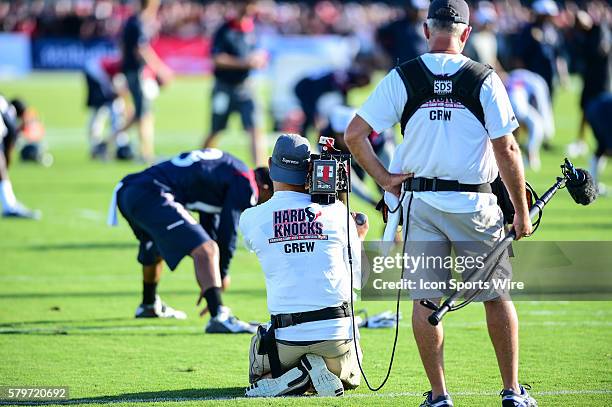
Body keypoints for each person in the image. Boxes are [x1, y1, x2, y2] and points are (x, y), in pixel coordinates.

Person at [345, 0, 537, 406]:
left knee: (426, 299)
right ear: (466, 34)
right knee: (497, 296)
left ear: (427, 30)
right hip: (475, 202)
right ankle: (512, 392)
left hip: (420, 204)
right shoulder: (484, 77)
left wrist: (384, 179)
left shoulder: (404, 75)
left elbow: (354, 135)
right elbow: (507, 150)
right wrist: (520, 210)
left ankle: (439, 396)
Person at [239, 134, 367, 397]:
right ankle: (316, 375)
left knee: (257, 373)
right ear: (312, 168)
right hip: (337, 340)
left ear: (270, 165)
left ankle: (294, 377)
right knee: (349, 377)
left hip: (287, 340)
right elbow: (359, 279)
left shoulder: (250, 218)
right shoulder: (338, 212)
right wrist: (358, 237)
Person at [108, 148, 273, 333]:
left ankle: (148, 304)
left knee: (154, 246)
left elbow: (210, 222)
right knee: (207, 250)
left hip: (130, 190)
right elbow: (228, 232)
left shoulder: (231, 170)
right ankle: (219, 316)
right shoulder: (246, 182)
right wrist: (222, 274)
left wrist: (213, 273)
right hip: (153, 192)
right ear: (265, 188)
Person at [202, 0, 267, 166]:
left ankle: (261, 172)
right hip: (224, 88)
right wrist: (245, 63)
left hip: (246, 87)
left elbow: (259, 53)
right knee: (215, 130)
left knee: (255, 129)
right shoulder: (224, 30)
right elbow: (217, 59)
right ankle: (199, 162)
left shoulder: (253, 29)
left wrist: (259, 59)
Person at [114, 0, 173, 163]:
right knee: (144, 113)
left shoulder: (132, 22)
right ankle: (146, 154)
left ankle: (111, 142)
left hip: (131, 70)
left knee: (141, 112)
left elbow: (124, 46)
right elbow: (141, 49)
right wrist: (160, 69)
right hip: (135, 72)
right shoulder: (138, 23)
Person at [293, 68, 371, 138]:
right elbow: (316, 91)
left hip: (310, 88)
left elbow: (343, 98)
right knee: (310, 115)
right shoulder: (343, 78)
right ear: (361, 78)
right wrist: (316, 113)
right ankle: (302, 138)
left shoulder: (347, 77)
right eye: (364, 84)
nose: (361, 87)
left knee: (313, 115)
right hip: (304, 88)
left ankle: (304, 136)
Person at [83, 55, 133, 160]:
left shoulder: (123, 68)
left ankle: (116, 143)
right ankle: (100, 145)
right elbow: (117, 89)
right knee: (101, 110)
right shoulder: (123, 68)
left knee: (111, 110)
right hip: (96, 72)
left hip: (98, 73)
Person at [505, 69, 555, 171]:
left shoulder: (514, 77)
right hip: (519, 106)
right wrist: (548, 130)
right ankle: (531, 154)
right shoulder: (537, 83)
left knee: (513, 133)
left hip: (507, 107)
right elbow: (542, 106)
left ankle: (516, 154)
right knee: (537, 126)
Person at [0, 96, 40, 219]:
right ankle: (10, 206)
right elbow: (11, 131)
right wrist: (7, 158)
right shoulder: (6, 108)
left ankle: (10, 205)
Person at [376, 0, 429, 68]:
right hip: (401, 68)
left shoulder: (426, 25)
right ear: (408, 8)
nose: (418, 13)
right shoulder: (397, 26)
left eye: (421, 10)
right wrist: (387, 53)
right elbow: (381, 36)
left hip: (421, 67)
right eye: (415, 10)